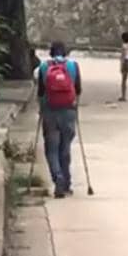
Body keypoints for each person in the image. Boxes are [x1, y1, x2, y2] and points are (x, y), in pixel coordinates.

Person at [37, 41, 82, 198]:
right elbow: (78, 90)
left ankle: (58, 178)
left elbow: (41, 92)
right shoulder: (73, 66)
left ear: (51, 52)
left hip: (50, 112)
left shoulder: (44, 67)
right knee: (65, 148)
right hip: (68, 112)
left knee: (52, 149)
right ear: (65, 53)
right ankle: (67, 183)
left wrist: (41, 109)